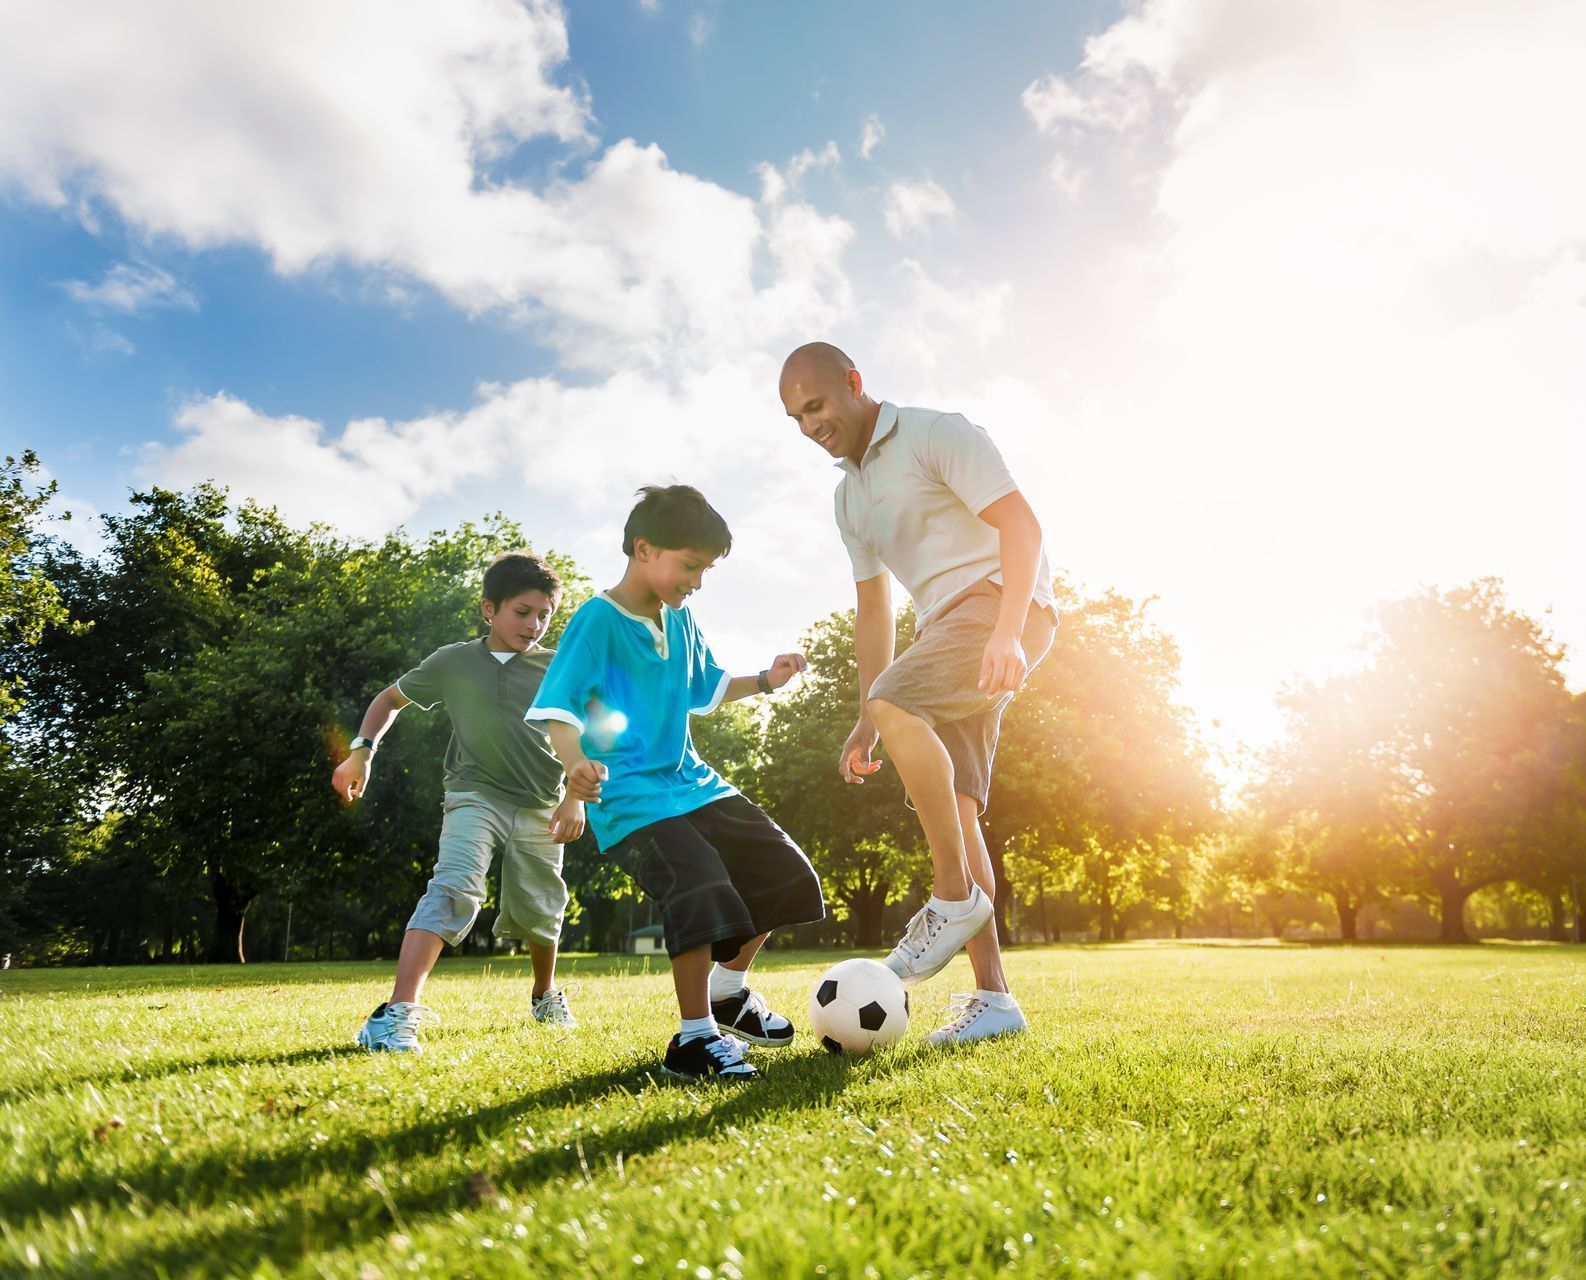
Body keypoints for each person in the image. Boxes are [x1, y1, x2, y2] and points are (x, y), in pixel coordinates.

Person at [779, 342, 1057, 1045]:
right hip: (943, 630)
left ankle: (953, 897)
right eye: (795, 418)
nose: (810, 425)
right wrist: (865, 717)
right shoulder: (849, 498)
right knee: (959, 807)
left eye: (815, 405)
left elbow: (1022, 526)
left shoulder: (937, 434)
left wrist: (1007, 631)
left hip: (998, 605)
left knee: (898, 702)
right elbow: (875, 611)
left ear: (853, 383)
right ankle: (994, 1002)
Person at [526, 485, 824, 1081]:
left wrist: (766, 680)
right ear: (643, 549)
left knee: (784, 870)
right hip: (631, 796)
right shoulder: (596, 621)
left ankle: (727, 991)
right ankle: (694, 1039)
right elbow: (558, 707)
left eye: (705, 569)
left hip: (693, 783)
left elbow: (704, 687)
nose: (697, 580)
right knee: (699, 882)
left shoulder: (681, 617)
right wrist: (573, 763)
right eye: (691, 565)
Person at [333, 551, 585, 1052]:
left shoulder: (558, 669)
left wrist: (575, 798)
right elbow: (388, 700)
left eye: (544, 615)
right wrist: (362, 751)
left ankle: (544, 994)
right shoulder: (453, 661)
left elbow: (585, 735)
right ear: (490, 609)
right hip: (474, 795)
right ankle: (396, 1014)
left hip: (541, 803)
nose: (533, 624)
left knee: (540, 906)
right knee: (454, 888)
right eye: (522, 612)